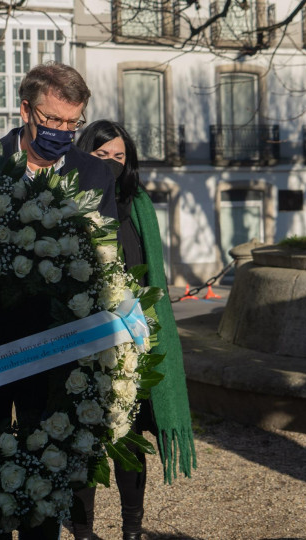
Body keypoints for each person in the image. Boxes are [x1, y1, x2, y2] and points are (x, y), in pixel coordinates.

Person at [0, 62, 118, 539]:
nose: (63, 133)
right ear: (26, 110)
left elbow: (107, 263)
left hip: (58, 355)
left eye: (73, 123)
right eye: (53, 121)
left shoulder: (95, 175)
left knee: (45, 481)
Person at [75, 120, 197, 540]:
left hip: (135, 338)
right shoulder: (68, 201)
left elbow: (150, 274)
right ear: (82, 154)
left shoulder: (138, 205)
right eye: (100, 155)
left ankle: (132, 527)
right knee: (84, 436)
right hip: (82, 337)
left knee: (128, 434)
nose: (110, 163)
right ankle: (83, 530)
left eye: (118, 156)